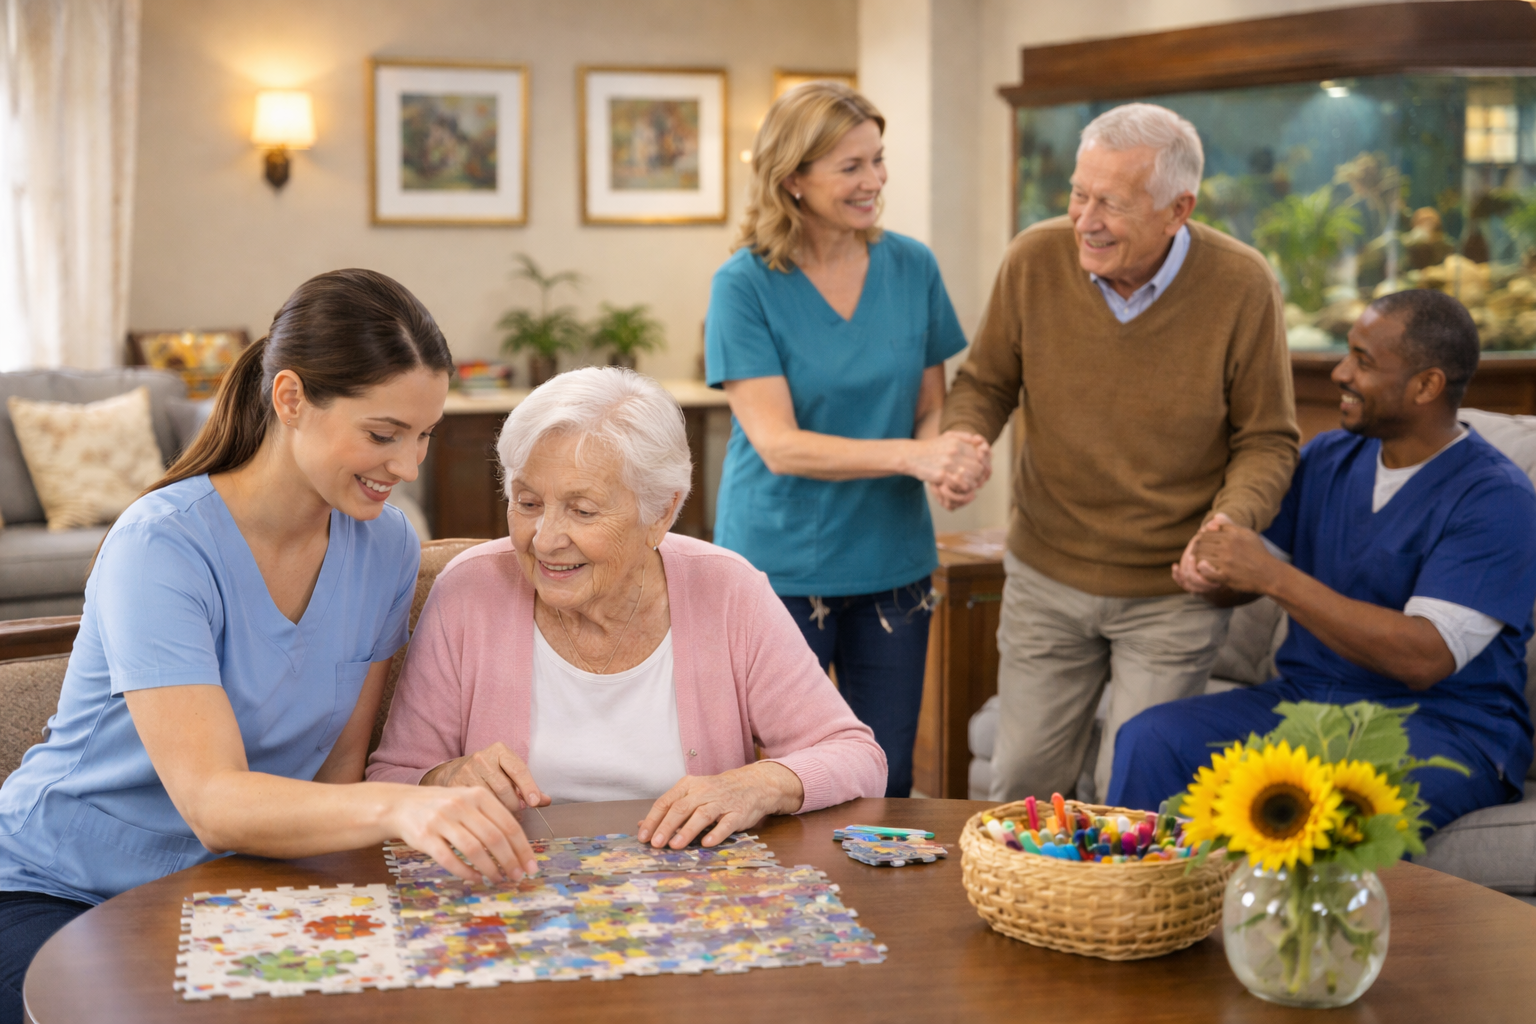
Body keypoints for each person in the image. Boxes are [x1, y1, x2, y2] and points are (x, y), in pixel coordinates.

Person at [0, 270, 537, 1023]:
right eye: (383, 434)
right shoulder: (162, 547)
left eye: (424, 437)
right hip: (54, 893)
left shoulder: (385, 547)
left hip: (226, 888)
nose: (408, 466)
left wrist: (411, 809)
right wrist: (404, 810)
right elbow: (214, 802)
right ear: (290, 399)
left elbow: (336, 782)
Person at [940, 102, 1301, 804]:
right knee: (1021, 788)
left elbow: (1266, 439)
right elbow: (984, 382)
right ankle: (1022, 916)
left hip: (1171, 595)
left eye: (1111, 202)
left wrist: (1229, 523)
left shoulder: (1242, 283)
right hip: (1047, 574)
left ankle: (1122, 920)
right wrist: (965, 439)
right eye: (1078, 193)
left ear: (1177, 209)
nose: (1085, 218)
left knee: (1130, 797)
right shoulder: (1034, 259)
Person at [368, 367, 888, 847]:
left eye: (583, 510)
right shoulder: (469, 593)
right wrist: (446, 778)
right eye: (527, 503)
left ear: (661, 513)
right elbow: (390, 779)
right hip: (511, 898)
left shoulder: (728, 591)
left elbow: (857, 756)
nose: (545, 540)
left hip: (695, 905)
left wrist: (762, 783)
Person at [1110, 291, 1536, 827]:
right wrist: (1214, 572)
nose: (1339, 373)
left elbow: (1424, 658)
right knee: (1152, 738)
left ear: (1427, 385)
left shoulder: (1497, 499)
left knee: (1337, 802)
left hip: (1442, 726)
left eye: (1363, 360)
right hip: (1305, 705)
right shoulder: (1327, 457)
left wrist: (1271, 576)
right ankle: (1146, 909)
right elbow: (1249, 576)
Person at [704, 81, 988, 798]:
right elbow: (778, 443)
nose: (875, 181)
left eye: (878, 160)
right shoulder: (744, 285)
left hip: (894, 564)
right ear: (793, 178)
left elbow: (931, 405)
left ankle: (877, 913)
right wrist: (915, 455)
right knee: (777, 775)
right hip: (779, 568)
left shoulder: (912, 266)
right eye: (851, 166)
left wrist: (944, 462)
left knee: (883, 771)